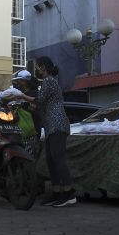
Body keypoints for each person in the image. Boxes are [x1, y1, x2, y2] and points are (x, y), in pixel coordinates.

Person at [19, 57, 75, 207]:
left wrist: (21, 96)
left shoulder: (49, 81)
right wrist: (22, 104)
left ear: (43, 67)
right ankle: (57, 193)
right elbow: (39, 107)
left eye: (37, 67)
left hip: (57, 124)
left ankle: (69, 193)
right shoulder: (47, 82)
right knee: (51, 161)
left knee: (58, 159)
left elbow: (39, 100)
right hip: (51, 126)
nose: (35, 70)